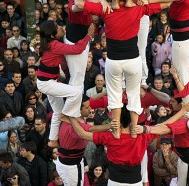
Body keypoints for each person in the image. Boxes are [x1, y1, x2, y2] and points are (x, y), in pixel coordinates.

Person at [72, 0, 171, 139]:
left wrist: (102, 1)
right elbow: (167, 3)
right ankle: (135, 129)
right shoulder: (138, 8)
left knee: (114, 95)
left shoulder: (106, 9)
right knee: (133, 95)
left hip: (114, 61)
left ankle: (116, 131)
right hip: (132, 60)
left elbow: (79, 3)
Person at [36, 20, 94, 148]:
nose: (61, 27)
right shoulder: (54, 45)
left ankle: (52, 140)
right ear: (52, 35)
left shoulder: (51, 44)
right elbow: (77, 49)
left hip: (47, 81)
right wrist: (88, 36)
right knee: (77, 92)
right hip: (47, 83)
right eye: (57, 27)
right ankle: (66, 114)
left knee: (57, 111)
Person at [168, 0, 189, 118]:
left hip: (183, 40)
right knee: (183, 74)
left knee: (182, 76)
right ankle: (188, 108)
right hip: (186, 35)